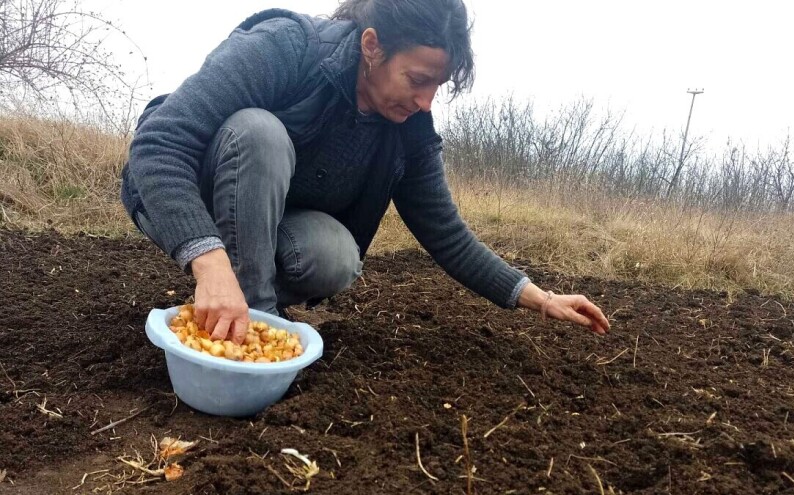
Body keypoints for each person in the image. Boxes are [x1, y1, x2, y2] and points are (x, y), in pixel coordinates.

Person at [121, 0, 610, 345]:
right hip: (193, 195)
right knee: (260, 133)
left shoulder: (409, 128)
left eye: (437, 86)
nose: (426, 101)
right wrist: (209, 263)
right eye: (418, 81)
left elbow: (448, 234)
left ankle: (232, 305)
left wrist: (541, 299)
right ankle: (255, 325)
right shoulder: (287, 46)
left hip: (269, 218)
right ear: (372, 46)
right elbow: (159, 143)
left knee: (336, 255)